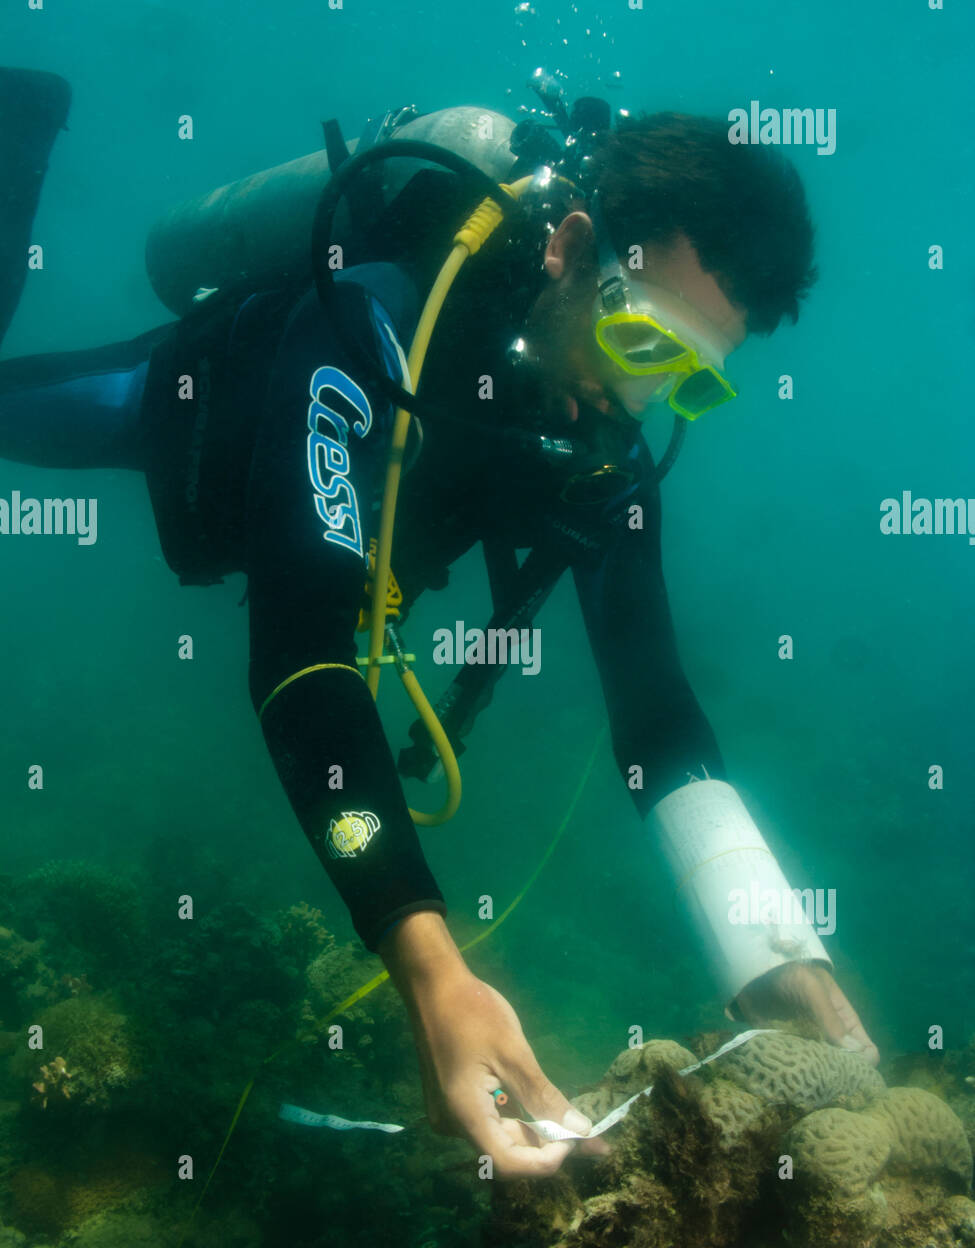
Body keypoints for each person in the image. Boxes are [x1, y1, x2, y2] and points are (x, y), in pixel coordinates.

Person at [0, 67, 878, 1178]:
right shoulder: (370, 322)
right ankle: (20, 134)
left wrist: (770, 947)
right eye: (643, 340)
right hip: (196, 419)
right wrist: (428, 964)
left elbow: (658, 717)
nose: (637, 400)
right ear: (566, 250)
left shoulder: (601, 452)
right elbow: (304, 651)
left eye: (691, 382)